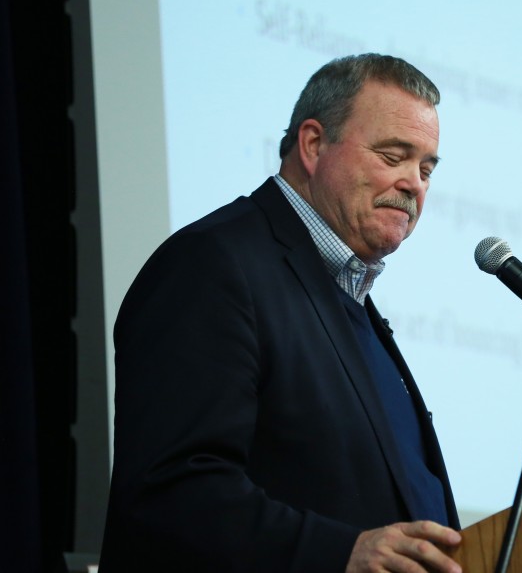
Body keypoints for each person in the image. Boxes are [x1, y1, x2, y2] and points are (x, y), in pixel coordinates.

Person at [99, 54, 463, 572]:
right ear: (313, 145)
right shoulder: (213, 265)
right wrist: (341, 553)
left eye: (426, 168)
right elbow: (170, 492)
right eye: (393, 156)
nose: (414, 183)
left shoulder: (349, 297)